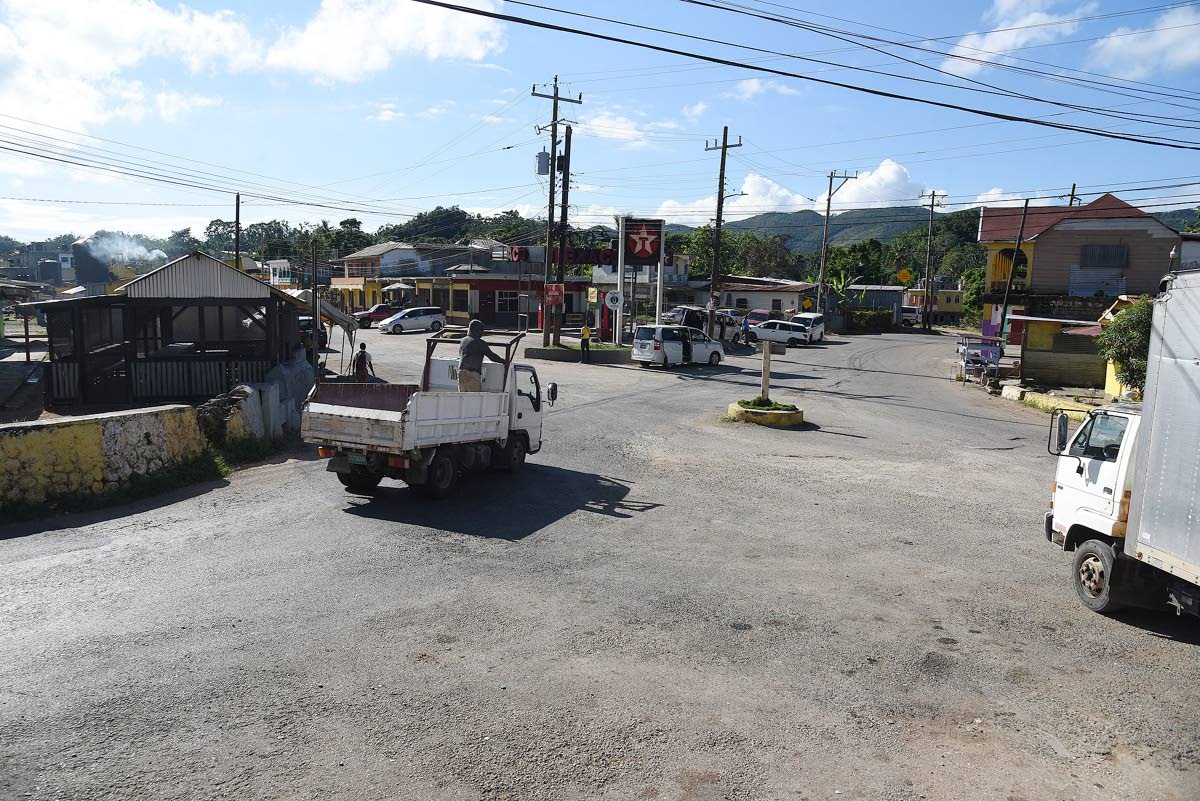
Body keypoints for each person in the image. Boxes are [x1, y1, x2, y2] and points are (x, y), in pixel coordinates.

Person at [458, 319, 503, 391]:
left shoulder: (463, 340)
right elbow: (492, 357)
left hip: (461, 372)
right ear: (477, 330)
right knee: (475, 399)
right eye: (481, 330)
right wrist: (504, 361)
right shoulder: (480, 343)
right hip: (472, 374)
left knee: (463, 398)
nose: (482, 333)